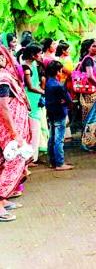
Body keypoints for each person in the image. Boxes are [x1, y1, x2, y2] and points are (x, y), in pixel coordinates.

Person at [0, 45, 31, 222]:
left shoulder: (6, 76)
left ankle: (3, 200)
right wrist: (14, 134)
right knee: (11, 163)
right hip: (8, 132)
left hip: (9, 131)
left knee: (5, 163)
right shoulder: (3, 78)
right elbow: (3, 107)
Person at [45, 61, 74, 171]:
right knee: (59, 139)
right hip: (59, 112)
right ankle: (59, 163)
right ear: (58, 71)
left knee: (52, 137)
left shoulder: (49, 83)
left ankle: (53, 161)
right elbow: (68, 100)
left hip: (51, 112)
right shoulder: (58, 85)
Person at [78, 39, 96, 152]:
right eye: (93, 46)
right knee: (91, 117)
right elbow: (90, 76)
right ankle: (87, 142)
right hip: (91, 92)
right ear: (88, 48)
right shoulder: (88, 59)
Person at [22, 44, 45, 166]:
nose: (41, 55)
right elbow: (30, 87)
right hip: (31, 100)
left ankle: (34, 155)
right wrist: (43, 92)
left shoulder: (33, 66)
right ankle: (30, 158)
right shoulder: (26, 67)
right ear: (32, 55)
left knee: (36, 129)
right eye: (39, 53)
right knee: (33, 130)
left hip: (35, 100)